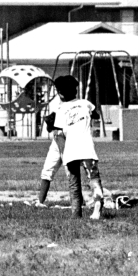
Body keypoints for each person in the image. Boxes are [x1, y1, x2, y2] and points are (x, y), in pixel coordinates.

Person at [50, 75, 105, 220]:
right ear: (75, 90)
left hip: (71, 150)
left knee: (74, 183)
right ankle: (97, 206)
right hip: (87, 148)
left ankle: (76, 213)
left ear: (60, 94)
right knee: (93, 177)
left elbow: (58, 132)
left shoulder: (61, 109)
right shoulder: (85, 103)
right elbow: (96, 115)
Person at [34, 94, 67, 208]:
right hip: (57, 138)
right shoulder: (59, 103)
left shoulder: (73, 103)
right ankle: (40, 201)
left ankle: (80, 202)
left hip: (68, 139)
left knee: (72, 173)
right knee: (47, 170)